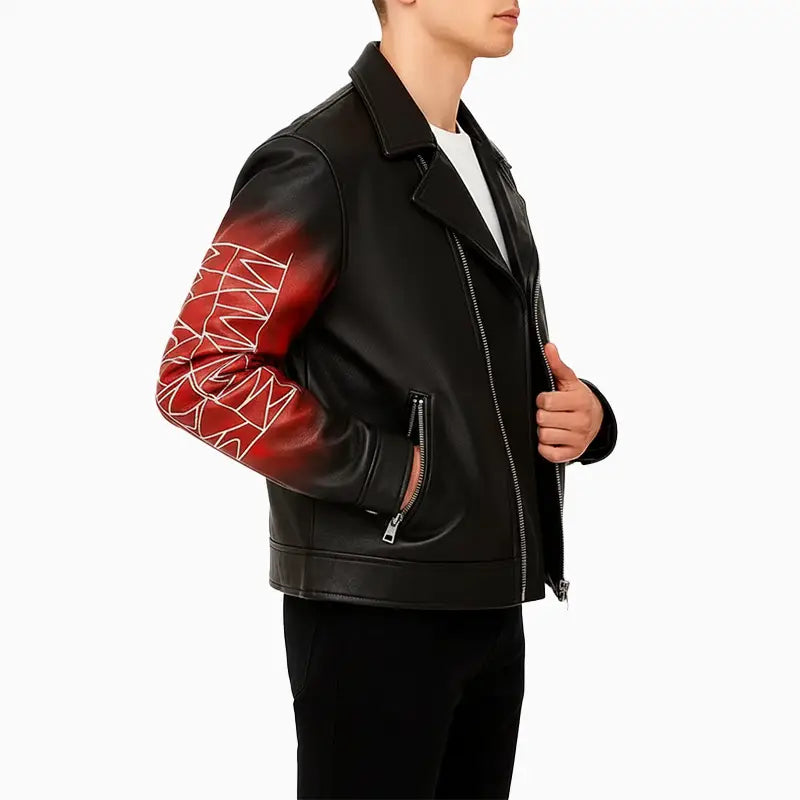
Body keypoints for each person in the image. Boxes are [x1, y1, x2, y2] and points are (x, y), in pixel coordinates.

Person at [155, 1, 617, 796]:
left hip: (489, 602)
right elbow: (201, 372)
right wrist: (397, 477)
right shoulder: (317, 162)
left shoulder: (484, 164)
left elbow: (468, 364)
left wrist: (589, 417)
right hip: (375, 611)